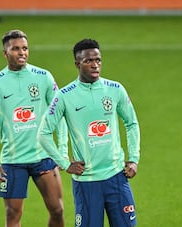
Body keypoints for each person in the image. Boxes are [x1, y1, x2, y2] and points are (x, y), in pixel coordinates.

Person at [38, 38, 141, 227]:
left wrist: (134, 158)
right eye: (88, 61)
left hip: (117, 177)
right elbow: (43, 133)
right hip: (87, 182)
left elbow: (131, 123)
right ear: (77, 64)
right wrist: (64, 163)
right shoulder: (64, 95)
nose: (95, 65)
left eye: (98, 60)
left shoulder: (115, 89)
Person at [0, 29, 68, 227]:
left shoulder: (43, 77)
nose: (22, 53)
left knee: (58, 210)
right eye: (16, 49)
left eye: (25, 48)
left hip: (43, 157)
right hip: (13, 160)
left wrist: (62, 150)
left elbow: (60, 115)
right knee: (12, 215)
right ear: (5, 53)